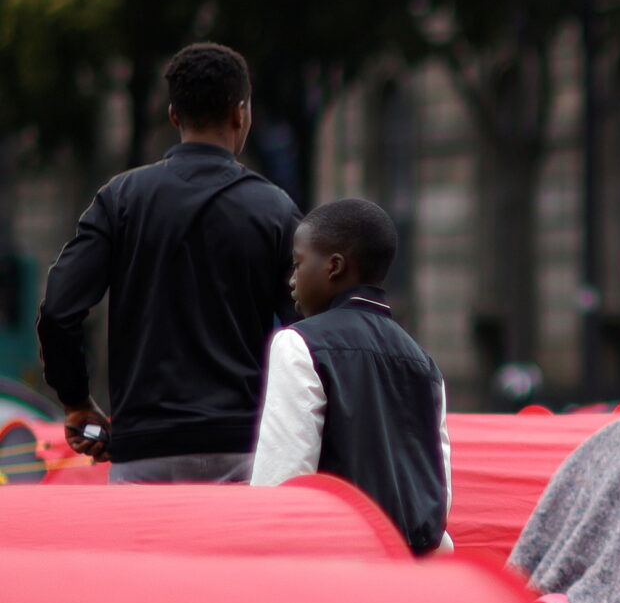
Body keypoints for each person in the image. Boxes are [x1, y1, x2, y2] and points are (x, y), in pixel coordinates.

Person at [37, 42, 300, 482]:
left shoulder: (120, 199)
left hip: (143, 450)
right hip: (242, 450)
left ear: (174, 115)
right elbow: (307, 333)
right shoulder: (274, 209)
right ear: (241, 113)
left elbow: (59, 310)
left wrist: (76, 400)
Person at [249, 198, 450, 554]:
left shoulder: (299, 343)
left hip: (334, 565)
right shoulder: (423, 362)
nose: (291, 281)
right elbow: (438, 489)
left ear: (334, 266)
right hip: (412, 572)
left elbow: (281, 481)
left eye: (298, 264)